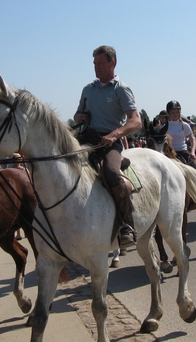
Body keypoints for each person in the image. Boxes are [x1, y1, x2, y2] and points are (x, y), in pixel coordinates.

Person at [74, 46, 142, 248]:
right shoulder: (88, 89)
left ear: (112, 63)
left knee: (111, 173)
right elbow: (78, 115)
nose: (96, 68)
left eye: (100, 63)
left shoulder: (121, 89)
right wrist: (79, 117)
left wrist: (115, 134)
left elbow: (136, 121)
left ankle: (126, 225)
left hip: (110, 142)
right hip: (87, 139)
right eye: (94, 64)